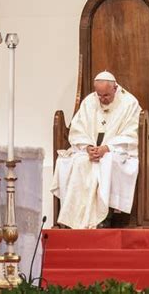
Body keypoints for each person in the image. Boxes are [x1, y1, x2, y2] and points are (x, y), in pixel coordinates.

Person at [52, 71, 141, 229]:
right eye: (99, 95)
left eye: (106, 95)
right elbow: (77, 128)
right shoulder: (90, 101)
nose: (102, 99)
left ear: (115, 88)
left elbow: (131, 133)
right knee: (78, 162)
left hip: (115, 152)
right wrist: (87, 147)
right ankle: (74, 218)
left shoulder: (129, 103)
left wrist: (107, 148)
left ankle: (104, 216)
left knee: (107, 163)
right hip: (91, 151)